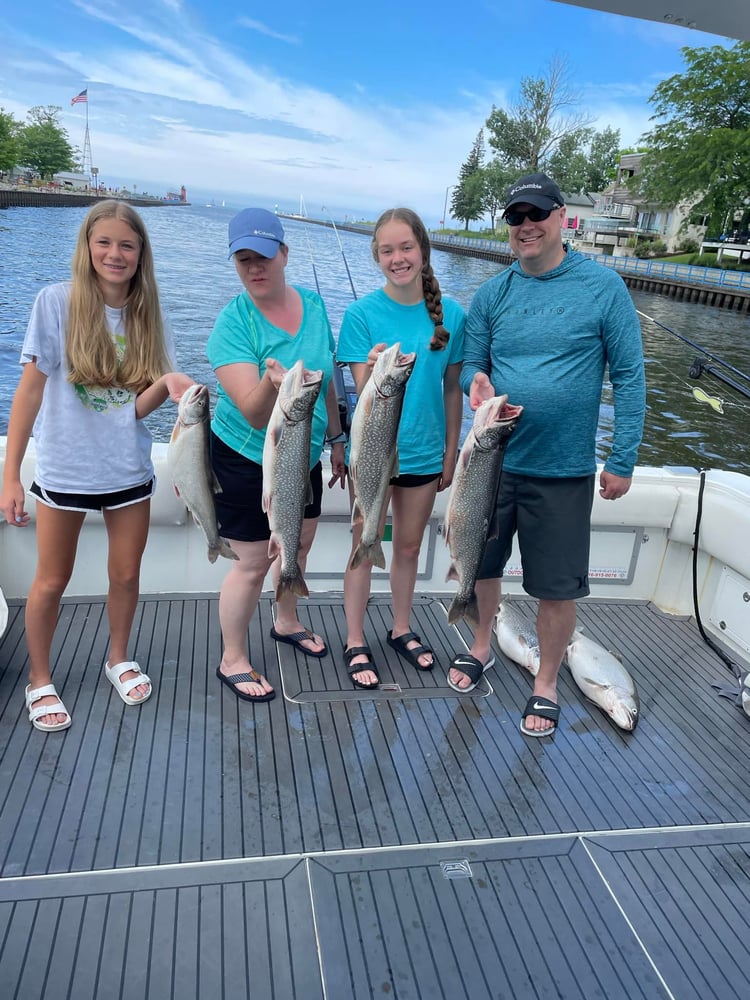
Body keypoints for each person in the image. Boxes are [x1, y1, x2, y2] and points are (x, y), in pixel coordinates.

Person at [448, 173, 646, 736]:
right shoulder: (493, 293)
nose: (525, 226)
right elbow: (472, 364)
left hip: (563, 471)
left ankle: (546, 682)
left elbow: (629, 377)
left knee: (556, 587)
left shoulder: (603, 288)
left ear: (563, 217)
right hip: (493, 463)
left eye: (536, 213)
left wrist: (623, 458)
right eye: (515, 217)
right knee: (481, 565)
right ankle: (482, 643)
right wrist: (477, 385)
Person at [0, 200, 195, 732]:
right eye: (104, 242)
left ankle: (118, 656)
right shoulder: (55, 302)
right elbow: (31, 392)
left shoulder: (150, 313)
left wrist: (170, 385)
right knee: (50, 580)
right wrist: (9, 473)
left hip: (128, 470)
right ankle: (40, 678)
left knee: (126, 573)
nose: (115, 253)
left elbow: (132, 409)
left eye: (127, 245)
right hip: (65, 470)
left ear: (141, 254)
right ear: (87, 246)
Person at [207, 208, 346, 703]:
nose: (255, 268)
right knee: (249, 562)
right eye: (244, 260)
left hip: (302, 453)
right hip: (247, 456)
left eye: (264, 256)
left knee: (297, 547)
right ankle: (232, 658)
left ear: (284, 254)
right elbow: (249, 412)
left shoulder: (313, 303)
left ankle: (285, 620)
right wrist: (271, 386)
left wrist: (336, 441)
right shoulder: (232, 323)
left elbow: (327, 379)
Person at [336, 207, 465, 688]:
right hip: (371, 455)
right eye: (387, 250)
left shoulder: (451, 316)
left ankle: (401, 628)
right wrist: (369, 367)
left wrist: (452, 452)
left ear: (423, 249)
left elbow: (453, 388)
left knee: (408, 546)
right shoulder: (361, 314)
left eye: (406, 247)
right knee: (363, 543)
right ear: (376, 256)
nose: (398, 258)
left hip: (426, 455)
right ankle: (354, 639)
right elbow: (362, 392)